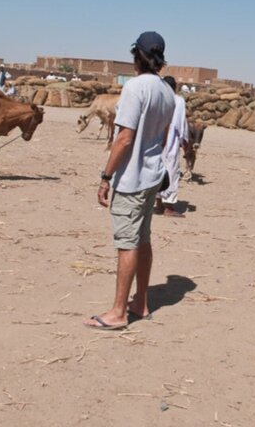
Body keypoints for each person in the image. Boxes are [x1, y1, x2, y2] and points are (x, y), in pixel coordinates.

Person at [85, 31, 175, 330]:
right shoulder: (166, 92)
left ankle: (118, 312)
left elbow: (123, 138)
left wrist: (105, 177)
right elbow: (161, 140)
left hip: (133, 178)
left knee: (127, 243)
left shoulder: (136, 88)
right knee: (143, 238)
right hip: (152, 176)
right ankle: (141, 301)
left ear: (137, 55)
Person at [155, 76, 188, 217]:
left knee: (157, 169)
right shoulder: (179, 100)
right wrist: (183, 139)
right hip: (170, 141)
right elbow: (180, 123)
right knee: (171, 171)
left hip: (155, 141)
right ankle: (168, 206)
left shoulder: (158, 99)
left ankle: (158, 205)